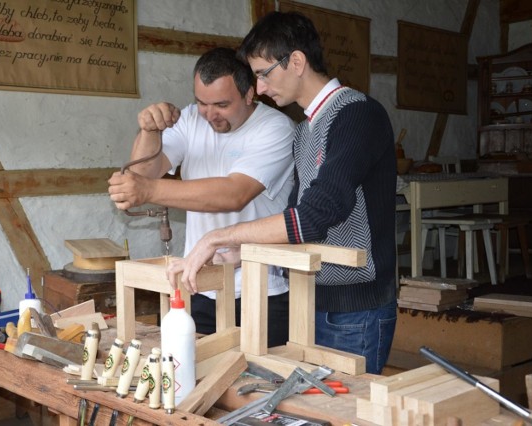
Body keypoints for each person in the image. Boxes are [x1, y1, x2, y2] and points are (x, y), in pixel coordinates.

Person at [166, 12, 397, 374]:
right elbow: (294, 217)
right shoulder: (305, 130)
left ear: (297, 61)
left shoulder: (358, 115)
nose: (258, 89)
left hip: (354, 310)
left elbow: (316, 216)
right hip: (308, 303)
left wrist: (216, 238)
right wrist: (238, 253)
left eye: (262, 73)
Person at [108, 47, 295, 347]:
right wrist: (149, 131)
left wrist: (150, 191)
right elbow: (144, 172)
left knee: (254, 388)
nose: (209, 114)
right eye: (201, 102)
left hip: (260, 292)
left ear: (249, 95)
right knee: (192, 380)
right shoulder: (192, 118)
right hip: (199, 287)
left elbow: (234, 193)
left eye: (221, 104)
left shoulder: (276, 128)